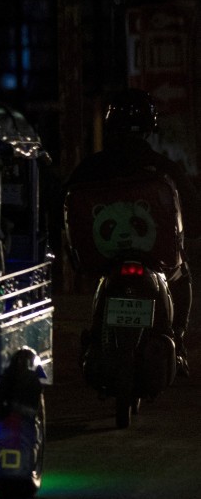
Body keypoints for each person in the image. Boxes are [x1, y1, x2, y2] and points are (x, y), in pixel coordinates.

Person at [66, 89, 201, 375]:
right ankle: (177, 340)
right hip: (155, 259)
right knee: (182, 276)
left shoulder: (90, 168)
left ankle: (97, 343)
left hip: (106, 259)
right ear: (150, 126)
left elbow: (67, 208)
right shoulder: (164, 168)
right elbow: (191, 208)